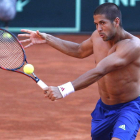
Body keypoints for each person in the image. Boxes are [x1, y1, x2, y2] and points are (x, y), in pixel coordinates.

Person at [18, 2, 140, 140]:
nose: (98, 28)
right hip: (104, 109)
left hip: (129, 108)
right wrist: (47, 38)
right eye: (96, 24)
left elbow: (100, 70)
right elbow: (79, 50)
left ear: (116, 21)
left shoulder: (133, 45)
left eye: (102, 23)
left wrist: (63, 90)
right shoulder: (97, 36)